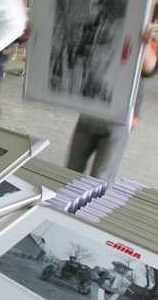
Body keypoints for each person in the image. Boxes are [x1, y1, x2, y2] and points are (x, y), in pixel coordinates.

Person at [66, 29, 158, 187]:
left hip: (120, 117)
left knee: (101, 176)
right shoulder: (96, 29)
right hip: (91, 110)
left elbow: (149, 69)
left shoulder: (139, 30)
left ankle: (91, 210)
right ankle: (64, 208)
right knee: (72, 169)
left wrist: (144, 45)